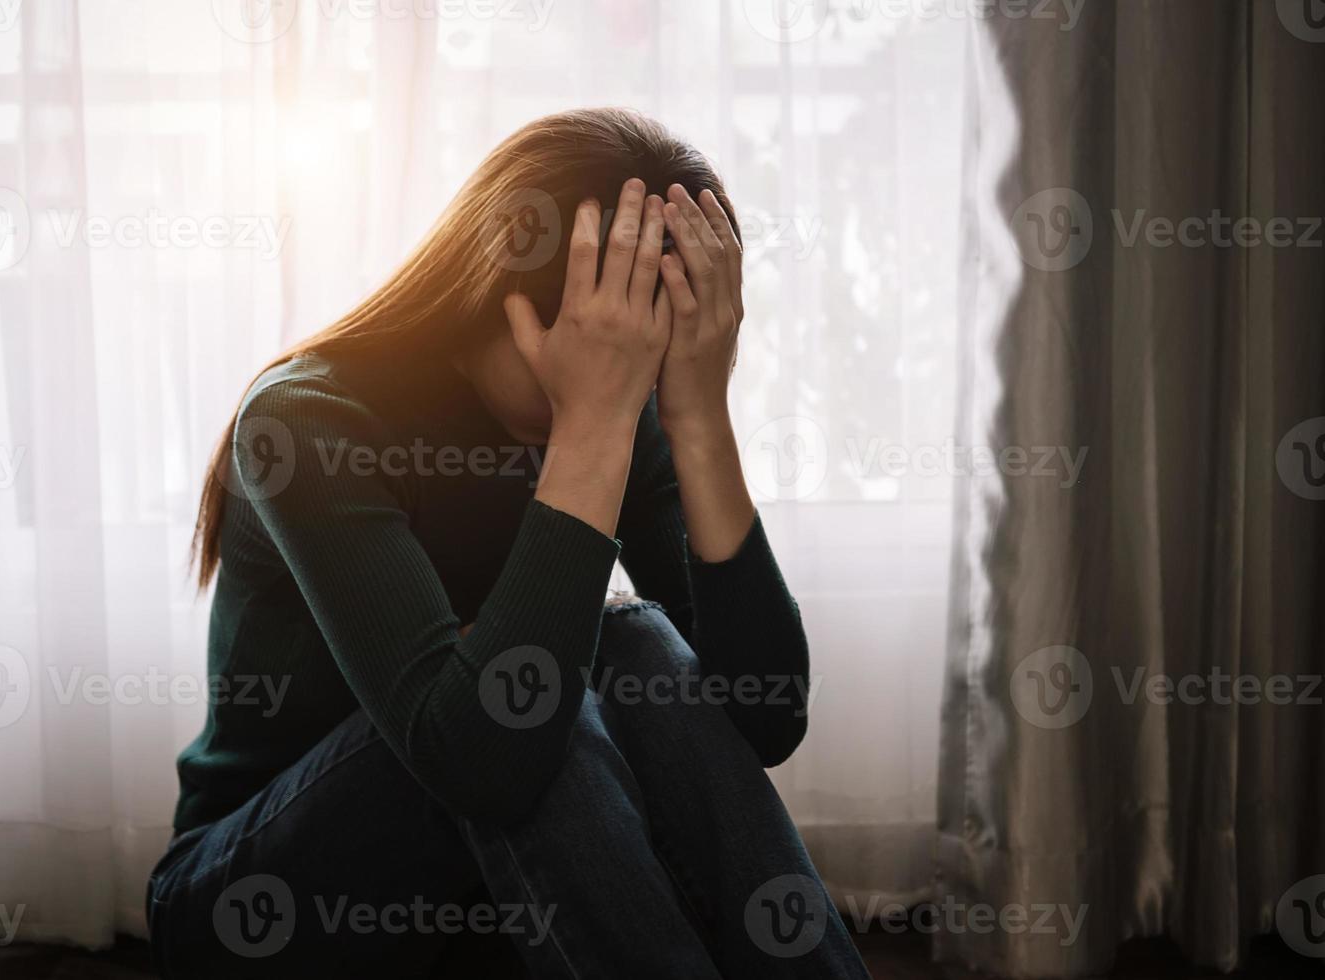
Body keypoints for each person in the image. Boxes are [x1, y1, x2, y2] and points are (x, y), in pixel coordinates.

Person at [146, 107, 870, 979]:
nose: (623, 374)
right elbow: (481, 758)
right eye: (604, 343)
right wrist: (593, 426)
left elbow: (761, 716)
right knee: (527, 694)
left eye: (646, 346)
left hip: (485, 876)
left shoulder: (627, 408)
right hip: (261, 896)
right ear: (502, 293)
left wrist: (698, 415)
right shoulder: (310, 421)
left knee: (629, 642)